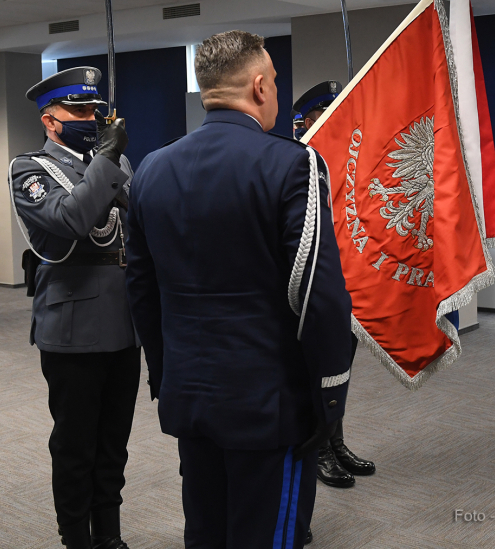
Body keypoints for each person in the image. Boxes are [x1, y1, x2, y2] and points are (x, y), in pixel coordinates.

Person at [125, 31, 354, 549]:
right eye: (273, 79)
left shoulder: (152, 168)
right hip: (269, 405)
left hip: (189, 395)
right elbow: (317, 295)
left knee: (206, 531)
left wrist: (167, 375)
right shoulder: (292, 163)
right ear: (258, 86)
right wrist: (329, 395)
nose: (275, 89)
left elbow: (141, 290)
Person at [10, 67, 140, 549]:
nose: (91, 118)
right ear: (50, 120)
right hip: (74, 327)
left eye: (94, 110)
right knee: (75, 444)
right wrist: (107, 157)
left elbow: (139, 225)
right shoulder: (31, 169)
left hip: (124, 322)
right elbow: (73, 219)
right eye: (79, 110)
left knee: (114, 441)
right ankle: (76, 538)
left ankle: (108, 534)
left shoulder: (114, 163)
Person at [292, 80, 376, 490]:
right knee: (317, 373)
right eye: (324, 114)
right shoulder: (297, 164)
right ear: (308, 122)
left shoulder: (346, 162)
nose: (332, 121)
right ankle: (320, 449)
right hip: (313, 289)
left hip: (347, 283)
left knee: (340, 370)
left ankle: (336, 442)